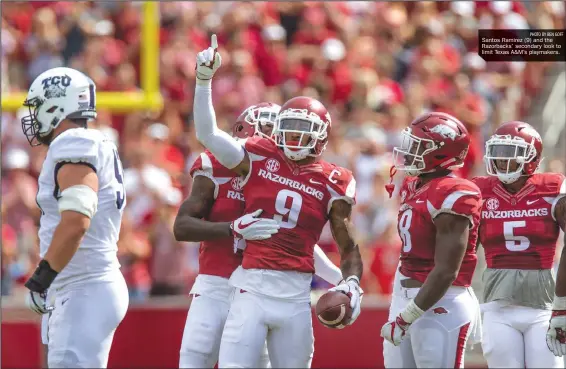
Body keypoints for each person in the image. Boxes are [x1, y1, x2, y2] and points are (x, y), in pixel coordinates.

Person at [192, 35, 363, 368]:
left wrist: (352, 282)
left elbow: (349, 245)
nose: (294, 137)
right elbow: (208, 134)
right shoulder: (256, 155)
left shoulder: (333, 180)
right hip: (251, 288)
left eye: (303, 130)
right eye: (289, 128)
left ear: (321, 135)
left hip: (297, 293)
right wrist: (203, 80)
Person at [174, 104, 344, 368]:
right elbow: (182, 226)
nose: (275, 136)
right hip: (216, 285)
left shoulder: (283, 176)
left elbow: (296, 239)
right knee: (195, 359)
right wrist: (231, 228)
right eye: (268, 128)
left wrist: (339, 277)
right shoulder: (216, 163)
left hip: (259, 291)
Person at [21, 67, 128, 367]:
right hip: (86, 284)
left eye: (38, 106)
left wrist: (43, 277)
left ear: (57, 105)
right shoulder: (95, 142)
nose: (35, 116)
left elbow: (77, 219)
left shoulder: (72, 143)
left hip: (84, 286)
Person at [380, 112, 482, 368]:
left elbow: (447, 270)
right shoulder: (413, 185)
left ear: (439, 153)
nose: (410, 150)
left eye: (418, 145)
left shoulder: (454, 192)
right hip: (404, 293)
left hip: (440, 302)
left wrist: (407, 317)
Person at [472, 121, 566, 367]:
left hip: (544, 306)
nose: (501, 161)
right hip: (497, 306)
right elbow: (465, 249)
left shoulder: (553, 188)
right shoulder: (479, 190)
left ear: (531, 157)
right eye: (498, 153)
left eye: (509, 154)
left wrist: (563, 306)